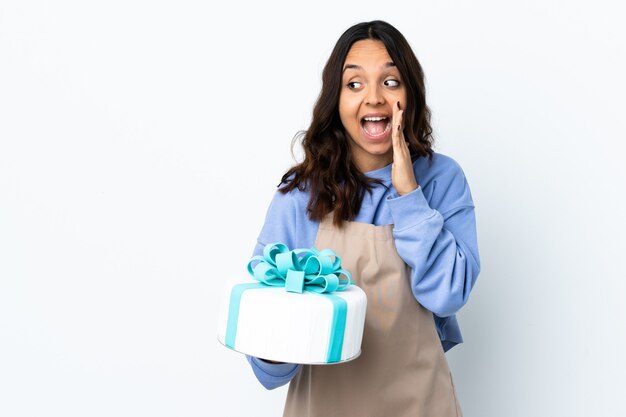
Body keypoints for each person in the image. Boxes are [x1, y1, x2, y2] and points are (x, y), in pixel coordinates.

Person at [245, 20, 480, 417]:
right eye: (354, 84)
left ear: (411, 94)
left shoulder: (442, 181)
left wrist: (409, 195)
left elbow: (448, 295)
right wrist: (273, 337)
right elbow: (268, 369)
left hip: (422, 405)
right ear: (336, 100)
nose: (373, 98)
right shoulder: (302, 194)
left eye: (390, 81)